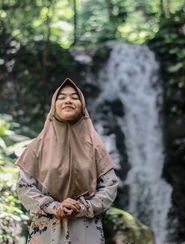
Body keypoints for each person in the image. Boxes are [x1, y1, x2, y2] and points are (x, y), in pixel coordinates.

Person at [16, 78, 119, 244]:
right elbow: (24, 187)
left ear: (82, 104)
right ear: (54, 104)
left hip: (86, 230)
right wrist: (55, 207)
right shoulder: (37, 146)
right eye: (62, 97)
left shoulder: (95, 145)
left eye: (74, 97)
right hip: (47, 231)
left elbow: (110, 184)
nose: (68, 101)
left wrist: (85, 207)